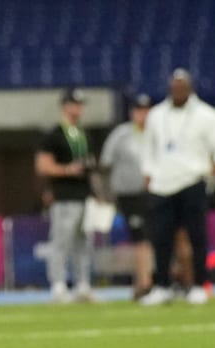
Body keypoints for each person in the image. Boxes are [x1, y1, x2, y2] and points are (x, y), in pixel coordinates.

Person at [139, 69, 215, 307]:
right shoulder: (156, 115)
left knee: (197, 236)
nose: (178, 91)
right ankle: (162, 285)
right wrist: (149, 173)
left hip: (192, 182)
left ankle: (199, 284)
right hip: (162, 184)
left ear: (190, 89)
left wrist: (213, 169)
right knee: (160, 238)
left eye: (182, 87)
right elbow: (148, 148)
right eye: (174, 87)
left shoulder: (207, 115)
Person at [35, 88, 97, 304]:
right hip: (64, 196)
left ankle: (83, 285)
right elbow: (42, 166)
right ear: (65, 106)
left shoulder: (83, 134)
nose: (78, 109)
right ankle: (58, 285)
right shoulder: (54, 134)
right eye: (74, 104)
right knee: (61, 242)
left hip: (83, 195)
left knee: (84, 243)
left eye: (80, 105)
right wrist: (68, 170)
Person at [100, 93, 154, 299]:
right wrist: (105, 194)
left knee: (154, 237)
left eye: (146, 111)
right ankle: (144, 282)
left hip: (156, 192)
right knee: (140, 237)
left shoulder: (157, 134)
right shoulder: (121, 135)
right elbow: (106, 164)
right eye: (139, 111)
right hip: (130, 194)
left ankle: (153, 281)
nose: (143, 115)